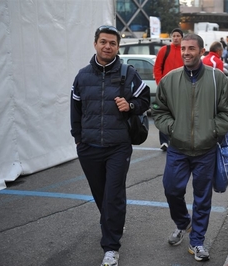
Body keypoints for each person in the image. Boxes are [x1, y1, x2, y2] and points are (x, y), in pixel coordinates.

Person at [151, 33, 228, 261]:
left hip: (206, 150)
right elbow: (159, 111)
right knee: (171, 189)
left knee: (202, 198)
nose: (186, 52)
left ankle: (197, 241)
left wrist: (211, 131)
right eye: (184, 49)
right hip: (178, 148)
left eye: (191, 49)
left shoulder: (216, 78)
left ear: (201, 51)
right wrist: (172, 128)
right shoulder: (170, 79)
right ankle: (183, 223)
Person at [70, 25, 150, 266]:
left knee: (113, 195)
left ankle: (111, 247)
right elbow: (75, 110)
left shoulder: (128, 73)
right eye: (103, 42)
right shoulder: (82, 76)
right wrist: (78, 138)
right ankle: (112, 222)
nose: (107, 46)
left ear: (118, 47)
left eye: (112, 43)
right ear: (95, 44)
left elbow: (145, 98)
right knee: (101, 194)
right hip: (89, 147)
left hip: (118, 147)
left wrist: (131, 106)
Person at [153, 28, 184, 151]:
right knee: (165, 114)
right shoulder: (164, 50)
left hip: (182, 88)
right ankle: (164, 141)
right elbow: (157, 68)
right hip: (166, 88)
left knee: (179, 115)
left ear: (182, 37)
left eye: (178, 36)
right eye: (174, 35)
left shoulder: (184, 51)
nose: (176, 38)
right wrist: (160, 84)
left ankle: (177, 139)